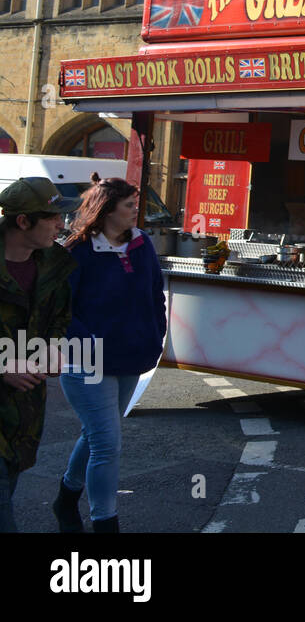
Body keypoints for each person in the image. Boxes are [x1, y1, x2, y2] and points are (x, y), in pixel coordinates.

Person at [53, 176, 166, 533]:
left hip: (131, 356)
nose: (136, 210)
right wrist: (91, 346)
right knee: (107, 443)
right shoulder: (77, 250)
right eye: (130, 205)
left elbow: (154, 294)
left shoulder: (142, 243)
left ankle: (66, 497)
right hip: (86, 361)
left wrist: (155, 333)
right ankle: (105, 523)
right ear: (107, 210)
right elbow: (62, 310)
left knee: (98, 433)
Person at [0, 178, 79, 533]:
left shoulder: (53, 265)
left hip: (22, 413)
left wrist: (52, 346)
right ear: (22, 221)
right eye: (52, 218)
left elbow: (59, 317)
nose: (61, 225)